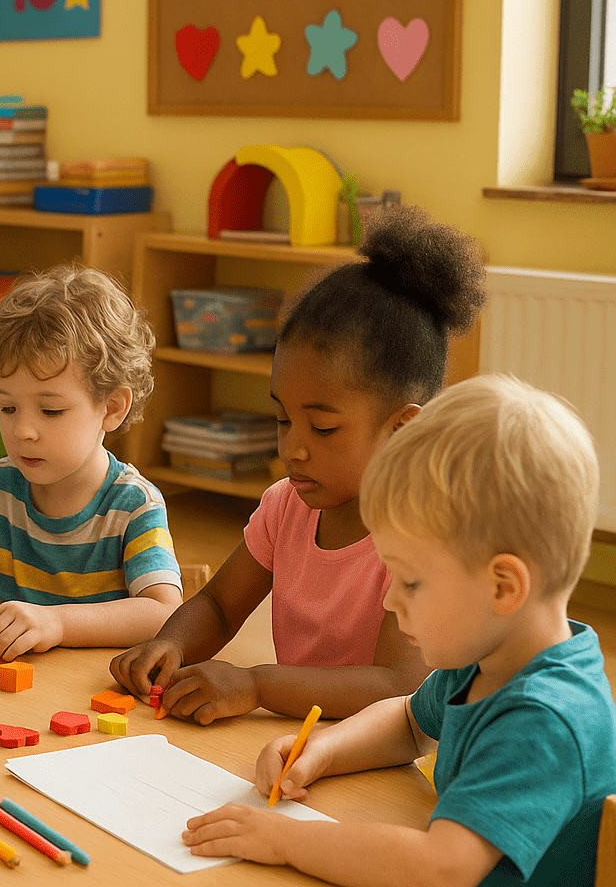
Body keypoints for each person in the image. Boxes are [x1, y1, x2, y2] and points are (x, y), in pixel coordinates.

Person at [184, 374, 616, 887]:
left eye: (410, 581)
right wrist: (325, 749)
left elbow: (441, 867)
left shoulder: (543, 719)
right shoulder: (495, 655)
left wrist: (285, 841)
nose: (390, 600)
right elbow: (409, 721)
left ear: (503, 587)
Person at [112, 207, 485, 723]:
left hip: (397, 761)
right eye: (283, 419)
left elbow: (397, 688)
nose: (294, 448)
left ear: (403, 430)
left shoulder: (424, 538)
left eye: (323, 428)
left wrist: (256, 685)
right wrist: (171, 644)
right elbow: (220, 605)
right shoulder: (286, 505)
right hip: (299, 740)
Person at [0, 264, 182, 663]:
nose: (23, 430)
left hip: (93, 697)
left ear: (112, 408)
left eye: (50, 410)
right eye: (8, 406)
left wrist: (57, 624)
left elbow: (163, 613)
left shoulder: (134, 505)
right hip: (6, 691)